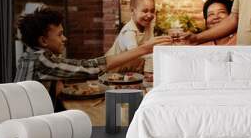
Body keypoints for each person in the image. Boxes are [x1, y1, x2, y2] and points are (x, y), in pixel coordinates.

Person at [14, 7, 171, 107]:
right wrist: (144, 48)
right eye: (60, 34)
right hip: (31, 125)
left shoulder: (29, 56)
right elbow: (88, 67)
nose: (64, 38)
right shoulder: (42, 60)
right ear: (43, 41)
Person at [106, 0, 155, 75]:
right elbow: (136, 54)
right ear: (133, 11)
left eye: (152, 11)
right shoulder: (129, 32)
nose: (149, 15)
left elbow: (151, 47)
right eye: (145, 11)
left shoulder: (148, 25)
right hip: (112, 70)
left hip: (127, 69)